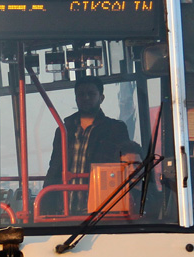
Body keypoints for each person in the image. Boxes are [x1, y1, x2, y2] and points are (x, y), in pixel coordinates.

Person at [42, 76, 140, 215]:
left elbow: (125, 165)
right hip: (64, 208)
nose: (86, 98)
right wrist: (45, 202)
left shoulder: (115, 129)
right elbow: (55, 167)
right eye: (81, 94)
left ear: (101, 97)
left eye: (91, 94)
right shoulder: (64, 130)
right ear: (76, 98)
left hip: (99, 207)